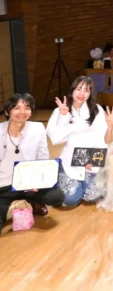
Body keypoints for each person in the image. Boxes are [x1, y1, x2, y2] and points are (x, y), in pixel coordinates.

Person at [0, 94, 65, 231]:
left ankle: (34, 200)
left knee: (57, 196)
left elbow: (43, 158)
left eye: (27, 108)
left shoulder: (37, 128)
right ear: (7, 111)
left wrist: (38, 182)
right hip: (3, 186)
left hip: (28, 183)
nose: (22, 112)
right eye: (17, 108)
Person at [46, 76, 108, 207]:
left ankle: (84, 184)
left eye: (86, 90)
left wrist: (94, 161)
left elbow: (101, 139)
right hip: (69, 161)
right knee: (70, 200)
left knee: (94, 196)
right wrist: (63, 117)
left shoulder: (97, 110)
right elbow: (55, 140)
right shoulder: (59, 110)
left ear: (90, 93)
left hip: (90, 160)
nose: (81, 94)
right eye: (79, 89)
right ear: (72, 90)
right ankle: (59, 175)